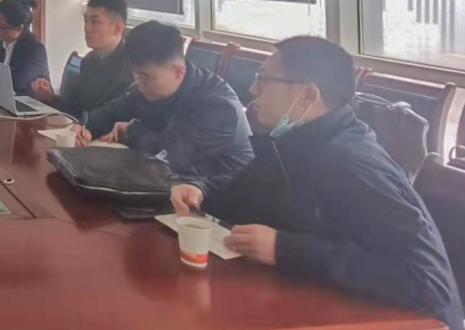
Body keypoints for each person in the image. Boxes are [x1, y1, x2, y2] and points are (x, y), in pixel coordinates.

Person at [171, 37, 463, 330]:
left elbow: (427, 282)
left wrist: (283, 249)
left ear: (309, 95)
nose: (252, 90)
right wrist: (201, 191)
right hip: (318, 304)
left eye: (263, 80)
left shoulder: (352, 163)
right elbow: (245, 195)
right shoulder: (292, 141)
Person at [76, 21, 253, 183]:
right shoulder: (157, 86)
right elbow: (119, 107)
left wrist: (131, 132)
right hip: (173, 183)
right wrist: (87, 129)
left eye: (145, 77)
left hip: (215, 198)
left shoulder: (218, 106)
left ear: (178, 72)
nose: (139, 83)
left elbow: (171, 155)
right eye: (136, 75)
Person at [30, 0, 133, 120]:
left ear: (117, 28)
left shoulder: (130, 69)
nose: (87, 28)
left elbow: (106, 118)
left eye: (95, 22)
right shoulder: (89, 60)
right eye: (86, 21)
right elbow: (76, 109)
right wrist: (49, 97)